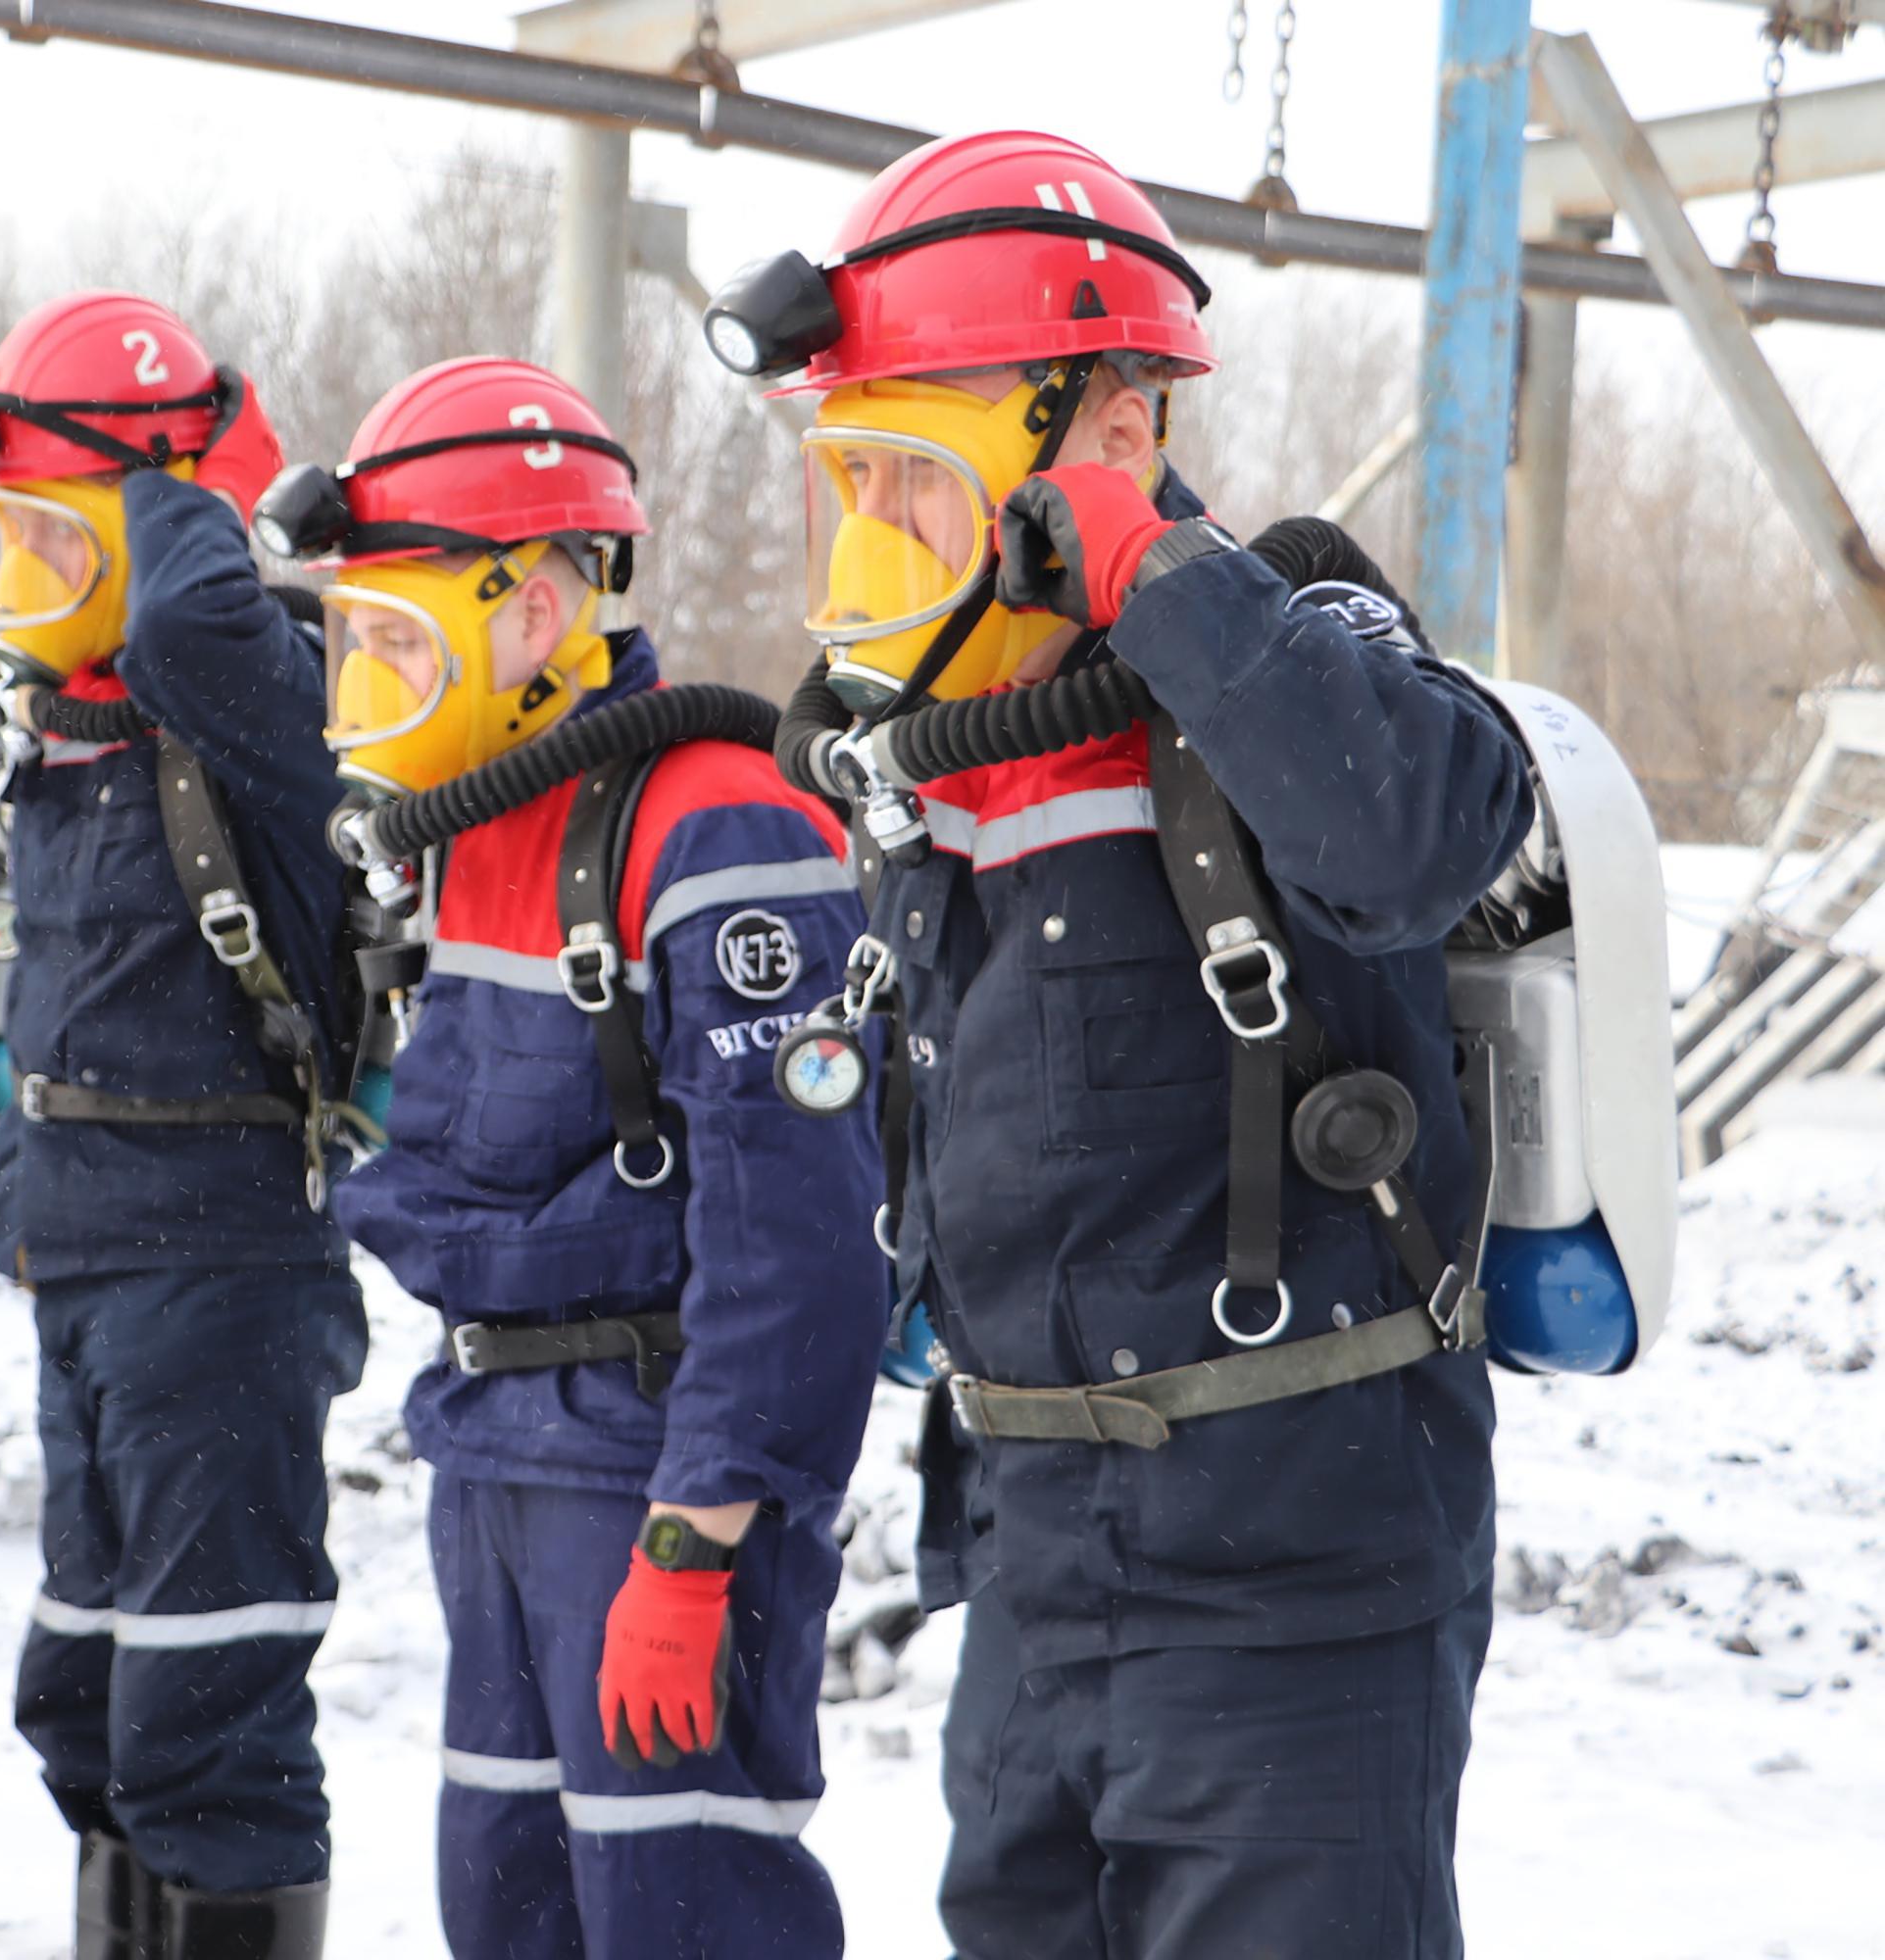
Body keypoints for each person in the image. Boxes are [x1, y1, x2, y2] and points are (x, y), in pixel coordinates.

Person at [711, 131, 1536, 1957]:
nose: (876, 542)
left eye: (908, 481)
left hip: (1296, 1592)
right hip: (1033, 1574)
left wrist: (1155, 571)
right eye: (849, 482)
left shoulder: (1289, 635)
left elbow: (1424, 826)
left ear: (1100, 434)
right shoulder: (944, 748)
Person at [263, 357, 888, 1959]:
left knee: (682, 1921)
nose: (365, 690)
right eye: (360, 643)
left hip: (652, 1483)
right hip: (501, 1462)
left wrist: (697, 1545)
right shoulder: (476, 833)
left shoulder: (718, 826)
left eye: (401, 642)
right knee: (509, 1908)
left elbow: (797, 1249)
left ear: (536, 611)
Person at [0, 291, 365, 1960]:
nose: (21, 580)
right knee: (87, 1706)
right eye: (4, 537)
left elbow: (187, 621)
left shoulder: (247, 686)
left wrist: (180, 470)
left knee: (209, 1723)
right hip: (93, 1263)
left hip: (225, 1269)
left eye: (57, 535)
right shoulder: (67, 731)